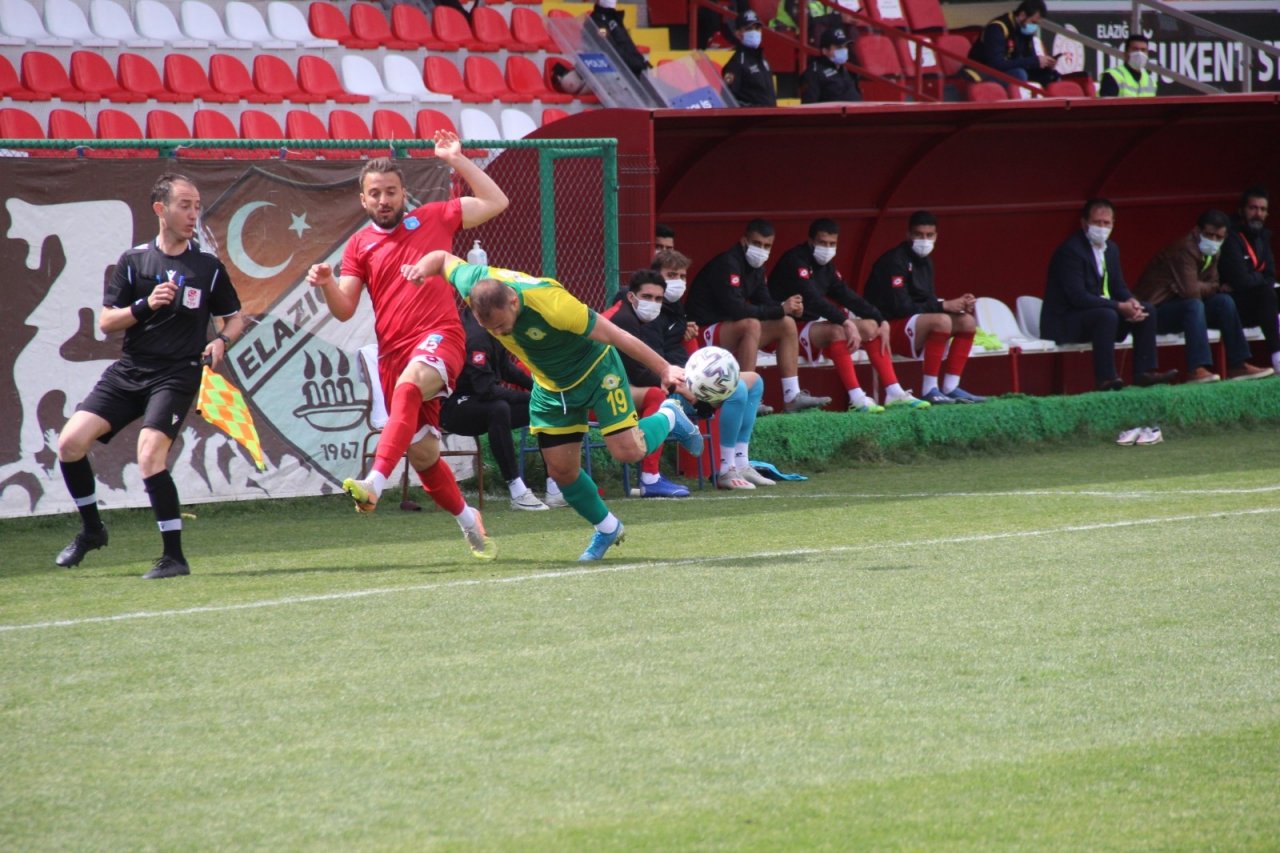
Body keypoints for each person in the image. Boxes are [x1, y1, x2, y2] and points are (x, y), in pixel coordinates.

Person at [403, 250, 705, 561]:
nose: (500, 334)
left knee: (626, 451)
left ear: (514, 302)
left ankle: (671, 414)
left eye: (503, 328)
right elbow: (440, 258)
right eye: (491, 330)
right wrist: (419, 270)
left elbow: (617, 335)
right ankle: (607, 527)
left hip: (596, 371)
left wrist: (664, 369)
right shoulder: (473, 283)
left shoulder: (552, 304)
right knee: (562, 471)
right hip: (551, 386)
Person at [306, 132, 506, 561]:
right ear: (363, 200)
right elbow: (344, 310)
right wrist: (326, 284)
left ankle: (374, 482)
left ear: (403, 194)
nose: (383, 199)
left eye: (391, 192)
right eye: (375, 193)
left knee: (411, 385)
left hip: (439, 337)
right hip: (392, 355)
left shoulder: (436, 217)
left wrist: (457, 160)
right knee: (424, 454)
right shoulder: (359, 245)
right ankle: (469, 520)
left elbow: (496, 202)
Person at [53, 172, 245, 580]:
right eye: (185, 205)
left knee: (148, 455)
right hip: (130, 370)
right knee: (70, 443)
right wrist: (146, 304)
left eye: (197, 206)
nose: (194, 214)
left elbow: (235, 317)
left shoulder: (207, 267)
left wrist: (222, 341)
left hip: (177, 374)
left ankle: (174, 557)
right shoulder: (134, 260)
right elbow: (106, 322)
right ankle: (92, 530)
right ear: (161, 209)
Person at [769, 218, 930, 412]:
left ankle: (894, 392)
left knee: (871, 327)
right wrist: (845, 321)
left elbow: (847, 295)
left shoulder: (827, 267)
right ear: (811, 241)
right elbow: (812, 300)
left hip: (811, 329)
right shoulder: (795, 261)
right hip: (784, 332)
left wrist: (880, 319)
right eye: (822, 243)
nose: (827, 248)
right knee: (838, 330)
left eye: (832, 244)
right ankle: (856, 398)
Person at [686, 219, 832, 413]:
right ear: (744, 241)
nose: (762, 250)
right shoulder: (728, 263)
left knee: (787, 323)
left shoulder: (757, 267)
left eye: (767, 246)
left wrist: (788, 308)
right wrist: (780, 309)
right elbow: (737, 310)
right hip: (702, 333)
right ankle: (745, 397)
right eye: (757, 244)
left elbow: (765, 300)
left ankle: (792, 396)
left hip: (730, 333)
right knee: (751, 324)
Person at [1041, 198, 1178, 391]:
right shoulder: (1071, 251)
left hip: (1100, 318)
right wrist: (1118, 307)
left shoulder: (1111, 249)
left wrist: (1131, 301)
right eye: (1097, 223)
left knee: (1147, 309)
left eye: (1107, 223)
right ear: (1084, 223)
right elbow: (1078, 297)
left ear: (1113, 224)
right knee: (1107, 315)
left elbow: (1118, 286)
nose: (1102, 228)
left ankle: (1145, 372)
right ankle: (1106, 379)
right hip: (1067, 321)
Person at [1132, 210, 1273, 382]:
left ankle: (1238, 364)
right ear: (1196, 231)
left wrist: (1199, 286)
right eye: (1209, 235)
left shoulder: (1215, 251)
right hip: (1156, 312)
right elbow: (1193, 292)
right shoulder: (1184, 249)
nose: (1213, 241)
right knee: (1194, 304)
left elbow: (1213, 285)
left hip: (1184, 309)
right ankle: (1196, 368)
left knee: (1224, 301)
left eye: (1219, 237)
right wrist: (1205, 287)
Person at [862, 211, 988, 404]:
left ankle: (951, 387)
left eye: (929, 235)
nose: (924, 240)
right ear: (908, 235)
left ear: (936, 236)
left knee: (967, 322)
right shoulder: (895, 260)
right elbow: (901, 307)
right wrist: (943, 306)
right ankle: (930, 389)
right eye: (919, 235)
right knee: (942, 320)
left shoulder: (926, 262)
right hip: (886, 329)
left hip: (913, 325)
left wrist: (957, 305)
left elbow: (926, 300)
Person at [442, 308, 558, 511]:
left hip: (480, 400)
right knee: (499, 408)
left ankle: (555, 486)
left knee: (544, 407)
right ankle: (517, 490)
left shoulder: (491, 327)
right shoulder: (476, 338)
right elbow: (486, 390)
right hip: (451, 408)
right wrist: (531, 396)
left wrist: (540, 390)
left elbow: (505, 368)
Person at [602, 270, 692, 497]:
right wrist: (679, 388)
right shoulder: (624, 320)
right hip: (577, 394)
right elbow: (639, 373)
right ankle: (650, 477)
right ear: (632, 297)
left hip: (597, 387)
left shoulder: (630, 316)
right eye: (647, 297)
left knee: (655, 394)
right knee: (657, 396)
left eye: (658, 299)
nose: (653, 303)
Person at [1219, 186, 1280, 375]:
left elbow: (1270, 275)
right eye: (1253, 208)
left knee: (1269, 292)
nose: (1258, 213)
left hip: (1258, 301)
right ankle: (1278, 357)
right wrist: (1259, 277)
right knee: (1265, 293)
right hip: (1234, 304)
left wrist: (1256, 277)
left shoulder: (1263, 236)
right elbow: (1240, 280)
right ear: (1241, 210)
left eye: (1262, 209)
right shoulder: (1231, 236)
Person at [965, 0, 1058, 87]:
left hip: (1007, 71)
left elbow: (1028, 59)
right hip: (983, 74)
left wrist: (1045, 65)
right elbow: (997, 64)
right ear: (1022, 15)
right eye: (1033, 22)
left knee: (1050, 76)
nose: (1034, 26)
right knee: (1019, 74)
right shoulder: (997, 28)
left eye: (1037, 24)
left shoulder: (1025, 31)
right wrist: (1034, 61)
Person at [722, 10, 777, 107]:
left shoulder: (763, 60)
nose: (755, 32)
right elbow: (728, 100)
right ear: (738, 33)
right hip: (752, 120)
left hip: (771, 118)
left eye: (757, 28)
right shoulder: (736, 63)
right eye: (749, 29)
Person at [590, 0, 650, 79]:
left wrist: (640, 62)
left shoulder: (614, 18)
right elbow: (611, 51)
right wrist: (637, 64)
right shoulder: (595, 21)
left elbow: (628, 45)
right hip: (615, 74)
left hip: (631, 71)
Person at [801, 27, 861, 104]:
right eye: (839, 47)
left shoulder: (848, 71)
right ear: (825, 51)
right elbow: (809, 106)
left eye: (845, 46)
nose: (844, 50)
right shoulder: (814, 73)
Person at [1099, 33, 1157, 98]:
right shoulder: (1112, 76)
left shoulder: (1151, 82)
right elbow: (1107, 106)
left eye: (1143, 50)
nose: (1140, 53)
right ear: (1125, 54)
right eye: (1135, 49)